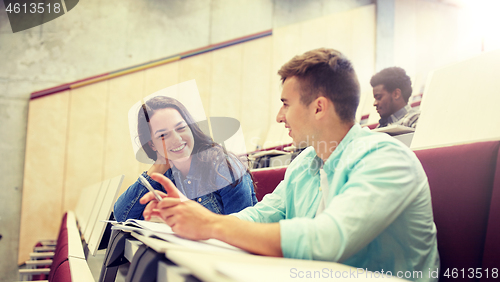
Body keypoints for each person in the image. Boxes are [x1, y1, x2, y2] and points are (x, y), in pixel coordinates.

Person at [140, 49, 439, 281]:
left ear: (319, 107)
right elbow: (260, 216)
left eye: (285, 103)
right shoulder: (306, 163)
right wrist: (188, 217)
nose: (279, 117)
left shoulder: (385, 158)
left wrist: (210, 224)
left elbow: (327, 241)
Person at [113, 96, 257, 222]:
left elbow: (241, 230)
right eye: (163, 135)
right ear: (152, 144)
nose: (177, 139)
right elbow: (122, 216)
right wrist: (157, 168)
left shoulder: (222, 167)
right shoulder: (166, 177)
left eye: (181, 128)